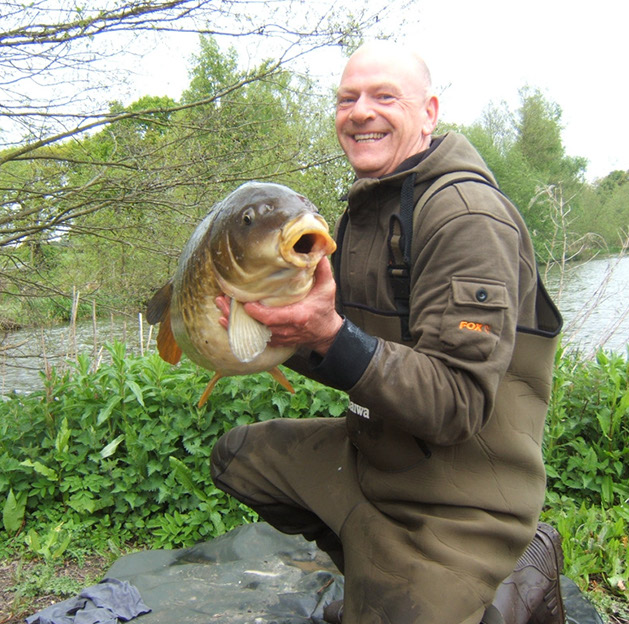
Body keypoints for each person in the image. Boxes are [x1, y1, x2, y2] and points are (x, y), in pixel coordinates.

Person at [210, 41, 565, 624]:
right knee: (239, 459)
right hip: (374, 457)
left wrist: (326, 333)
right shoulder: (364, 213)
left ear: (429, 112)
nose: (360, 112)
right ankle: (374, 571)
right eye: (347, 98)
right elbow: (349, 347)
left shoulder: (467, 217)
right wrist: (285, 330)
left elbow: (456, 402)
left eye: (383, 96)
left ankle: (513, 576)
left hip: (460, 500)